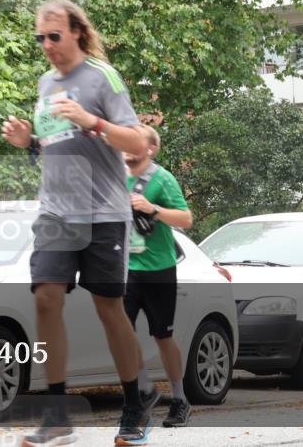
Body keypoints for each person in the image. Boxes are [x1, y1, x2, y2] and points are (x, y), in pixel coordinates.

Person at [1, 0, 156, 447]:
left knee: (110, 308)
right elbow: (55, 143)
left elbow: (135, 141)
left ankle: (136, 400)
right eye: (41, 38)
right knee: (46, 298)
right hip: (56, 211)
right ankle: (56, 414)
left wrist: (93, 121)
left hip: (103, 212)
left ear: (77, 34)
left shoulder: (102, 77)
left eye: (55, 36)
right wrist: (28, 141)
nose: (47, 45)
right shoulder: (45, 83)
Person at [124, 124, 194, 429]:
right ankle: (141, 392)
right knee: (120, 332)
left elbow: (186, 219)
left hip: (158, 269)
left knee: (162, 335)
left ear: (149, 149)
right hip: (126, 269)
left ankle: (179, 399)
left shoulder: (162, 178)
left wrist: (152, 209)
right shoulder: (116, 176)